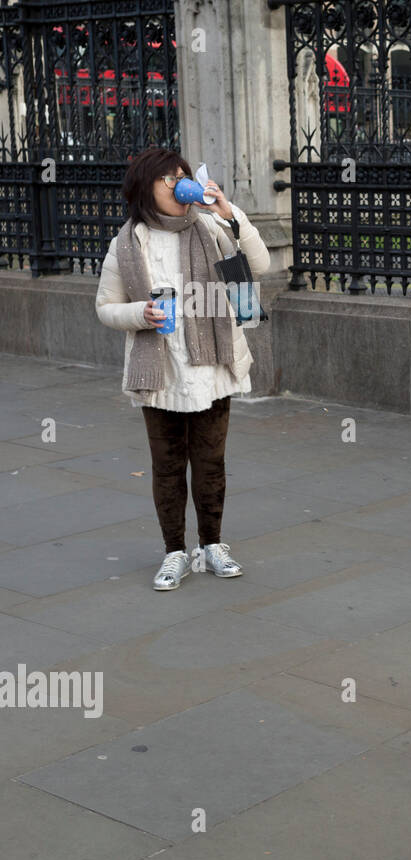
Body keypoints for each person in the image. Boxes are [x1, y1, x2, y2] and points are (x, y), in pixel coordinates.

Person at [95, 147, 271, 591]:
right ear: (145, 188)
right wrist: (141, 313)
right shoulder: (127, 243)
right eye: (168, 179)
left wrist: (231, 214)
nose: (179, 186)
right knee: (167, 465)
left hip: (211, 365)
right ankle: (175, 552)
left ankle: (212, 545)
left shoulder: (211, 227)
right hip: (160, 371)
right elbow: (105, 308)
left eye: (182, 177)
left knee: (211, 461)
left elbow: (259, 267)